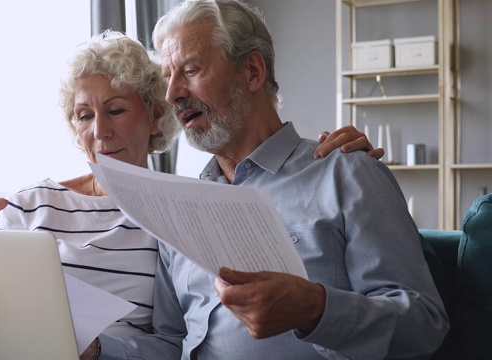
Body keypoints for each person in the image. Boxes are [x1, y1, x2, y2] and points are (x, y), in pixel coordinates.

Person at [0, 33, 381, 359]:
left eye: (116, 109)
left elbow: (172, 342)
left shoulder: (179, 212)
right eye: (84, 116)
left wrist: (98, 351)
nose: (100, 131)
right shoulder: (26, 203)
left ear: (156, 116)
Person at [89, 1, 449, 360]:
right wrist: (96, 350)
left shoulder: (346, 173)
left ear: (253, 72)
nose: (172, 94)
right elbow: (172, 342)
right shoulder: (176, 204)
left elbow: (424, 324)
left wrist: (316, 309)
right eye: (169, 78)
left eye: (191, 70)